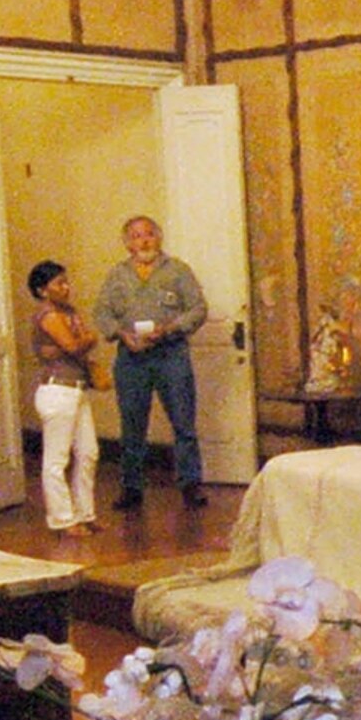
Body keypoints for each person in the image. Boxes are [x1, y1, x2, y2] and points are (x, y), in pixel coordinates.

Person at [94, 214, 208, 507]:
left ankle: (190, 485)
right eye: (136, 236)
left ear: (159, 237)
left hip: (171, 355)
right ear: (126, 243)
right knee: (132, 425)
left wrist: (170, 328)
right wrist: (121, 334)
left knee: (183, 422)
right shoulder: (117, 275)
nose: (143, 240)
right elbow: (101, 313)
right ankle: (131, 488)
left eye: (149, 234)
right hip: (131, 359)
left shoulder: (178, 271)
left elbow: (197, 309)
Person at [26, 258, 101, 532]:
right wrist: (83, 341)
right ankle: (62, 519)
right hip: (57, 390)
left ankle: (85, 513)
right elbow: (74, 344)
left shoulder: (69, 311)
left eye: (66, 281)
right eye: (59, 283)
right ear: (43, 290)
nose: (66, 287)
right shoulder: (48, 315)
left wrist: (79, 342)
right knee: (57, 459)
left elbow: (78, 342)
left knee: (88, 452)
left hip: (77, 388)